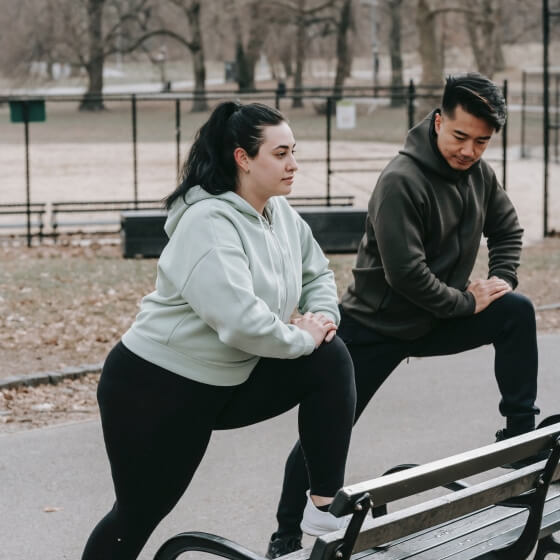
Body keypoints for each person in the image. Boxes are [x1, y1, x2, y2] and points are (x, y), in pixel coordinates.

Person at [266, 73, 541, 558]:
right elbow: (406, 275)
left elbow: (508, 230)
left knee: (515, 311)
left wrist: (502, 282)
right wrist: (466, 302)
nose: (469, 151)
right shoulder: (401, 181)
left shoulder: (480, 174)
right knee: (330, 428)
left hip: (438, 316)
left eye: (481, 141)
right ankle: (287, 531)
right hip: (377, 325)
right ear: (438, 121)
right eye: (460, 137)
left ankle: (520, 436)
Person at [81, 101, 357, 560]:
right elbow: (240, 322)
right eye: (281, 153)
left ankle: (325, 503)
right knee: (137, 514)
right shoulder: (207, 222)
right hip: (153, 389)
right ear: (243, 158)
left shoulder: (279, 213)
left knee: (330, 358)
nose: (294, 164)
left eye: (294, 151)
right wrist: (301, 337)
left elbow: (318, 275)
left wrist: (322, 321)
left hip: (226, 380)